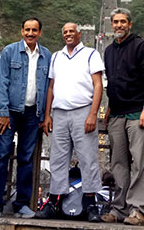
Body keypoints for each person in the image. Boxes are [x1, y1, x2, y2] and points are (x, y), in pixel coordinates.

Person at [36, 23, 104, 222]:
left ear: (79, 34)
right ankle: (55, 202)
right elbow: (51, 87)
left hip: (83, 111)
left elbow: (98, 85)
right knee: (57, 158)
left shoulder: (90, 54)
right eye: (65, 32)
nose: (68, 34)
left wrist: (93, 114)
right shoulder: (56, 56)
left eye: (71, 31)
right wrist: (48, 115)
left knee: (88, 158)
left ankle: (90, 203)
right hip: (60, 112)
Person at [0, 18, 51, 218]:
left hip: (32, 114)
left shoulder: (46, 55)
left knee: (26, 159)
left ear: (40, 32)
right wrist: (2, 112)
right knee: (1, 155)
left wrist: (44, 114)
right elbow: (2, 82)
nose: (30, 33)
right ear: (22, 31)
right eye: (27, 29)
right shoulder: (10, 52)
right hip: (10, 112)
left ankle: (22, 204)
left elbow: (47, 85)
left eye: (34, 30)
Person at [101, 8, 144, 226]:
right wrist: (108, 108)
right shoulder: (108, 51)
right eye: (115, 22)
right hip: (116, 113)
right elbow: (113, 81)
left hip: (137, 112)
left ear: (130, 24)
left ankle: (139, 210)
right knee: (119, 163)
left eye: (123, 21)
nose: (119, 25)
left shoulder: (141, 46)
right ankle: (119, 208)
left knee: (141, 162)